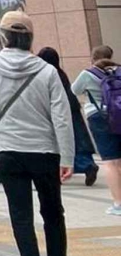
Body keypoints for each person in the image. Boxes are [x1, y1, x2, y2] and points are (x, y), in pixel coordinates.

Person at [0, 11, 75, 256]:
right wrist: (67, 157)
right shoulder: (47, 71)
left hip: (9, 151)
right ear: (30, 38)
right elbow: (62, 118)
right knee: (53, 213)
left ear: (3, 37)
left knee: (21, 217)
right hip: (45, 152)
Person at [70, 45, 121, 214]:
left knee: (110, 161)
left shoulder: (88, 73)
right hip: (119, 114)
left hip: (99, 117)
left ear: (93, 58)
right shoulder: (119, 70)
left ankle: (118, 204)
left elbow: (75, 90)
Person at [37, 47, 97, 188]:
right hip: (73, 109)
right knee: (79, 140)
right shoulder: (61, 73)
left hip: (60, 111)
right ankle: (88, 164)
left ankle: (80, 166)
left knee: (63, 142)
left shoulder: (47, 74)